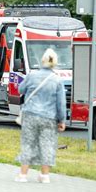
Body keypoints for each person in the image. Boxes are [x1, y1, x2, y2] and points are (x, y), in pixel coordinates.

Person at [15, 48, 66, 184]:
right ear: (55, 63)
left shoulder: (32, 75)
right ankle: (45, 176)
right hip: (49, 118)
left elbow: (20, 89)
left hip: (30, 115)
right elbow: (61, 103)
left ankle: (23, 175)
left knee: (28, 144)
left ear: (42, 60)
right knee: (47, 145)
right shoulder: (57, 80)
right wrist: (61, 120)